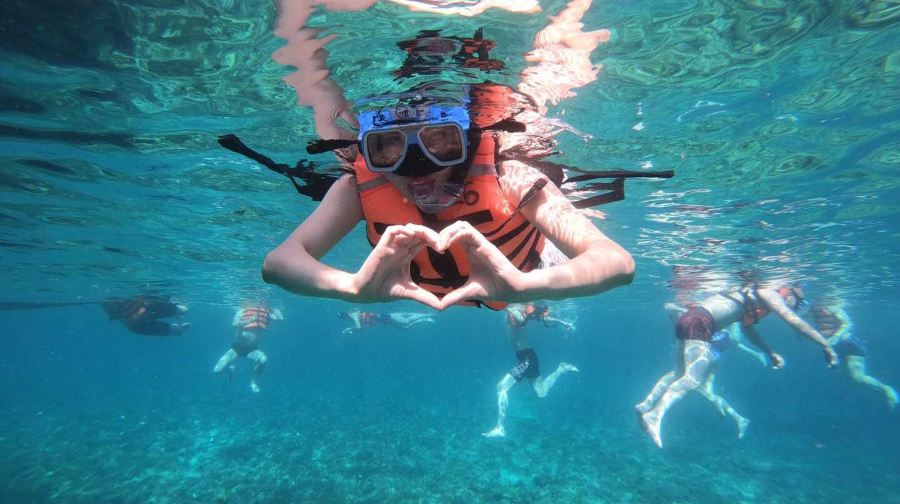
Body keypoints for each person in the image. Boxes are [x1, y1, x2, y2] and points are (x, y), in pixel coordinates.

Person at [258, 5, 636, 311]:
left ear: (468, 142)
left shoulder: (510, 177)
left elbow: (616, 262)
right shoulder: (358, 188)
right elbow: (279, 263)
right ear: (367, 150)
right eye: (387, 148)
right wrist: (351, 288)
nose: (416, 167)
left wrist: (525, 286)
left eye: (440, 142)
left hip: (532, 268)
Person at [637, 281, 837, 448]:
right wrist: (826, 345)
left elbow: (748, 330)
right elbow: (793, 321)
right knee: (691, 380)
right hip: (702, 322)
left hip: (690, 318)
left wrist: (769, 351)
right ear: (788, 289)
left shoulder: (751, 293)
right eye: (798, 300)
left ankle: (645, 405)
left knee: (678, 374)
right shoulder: (768, 292)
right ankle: (654, 416)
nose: (797, 304)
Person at [637, 304, 775, 444]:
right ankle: (740, 418)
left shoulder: (717, 318)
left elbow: (735, 340)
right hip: (707, 354)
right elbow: (736, 341)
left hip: (708, 355)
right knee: (696, 386)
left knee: (695, 385)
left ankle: (740, 418)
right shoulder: (716, 318)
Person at [482, 302, 578, 438]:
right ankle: (561, 369)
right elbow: (540, 317)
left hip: (527, 358)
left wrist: (563, 322)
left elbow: (532, 317)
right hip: (527, 357)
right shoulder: (516, 311)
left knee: (501, 388)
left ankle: (500, 428)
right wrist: (563, 322)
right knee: (541, 392)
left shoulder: (515, 310)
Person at [811, 302, 897, 409]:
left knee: (858, 378)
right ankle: (874, 398)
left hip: (848, 345)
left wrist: (836, 338)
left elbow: (848, 323)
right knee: (852, 380)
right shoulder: (812, 308)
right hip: (832, 347)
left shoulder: (831, 306)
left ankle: (886, 389)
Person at [213, 302, 284, 393]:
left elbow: (280, 318)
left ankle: (253, 382)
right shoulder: (242, 309)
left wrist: (275, 311)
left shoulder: (266, 312)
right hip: (237, 348)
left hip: (252, 349)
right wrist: (250, 320)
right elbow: (234, 324)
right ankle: (229, 370)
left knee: (263, 360)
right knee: (217, 371)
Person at [100, 296, 190, 336]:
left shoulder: (150, 304)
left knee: (181, 310)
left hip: (147, 308)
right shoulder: (135, 324)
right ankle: (177, 327)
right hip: (138, 319)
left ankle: (179, 313)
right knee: (175, 328)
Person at [337, 309, 435, 334]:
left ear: (346, 315)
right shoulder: (355, 314)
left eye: (344, 316)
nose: (346, 318)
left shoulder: (353, 315)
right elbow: (361, 329)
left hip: (384, 318)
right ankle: (424, 319)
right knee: (405, 328)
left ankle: (428, 314)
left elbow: (359, 328)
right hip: (384, 319)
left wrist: (349, 329)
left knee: (405, 322)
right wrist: (352, 330)